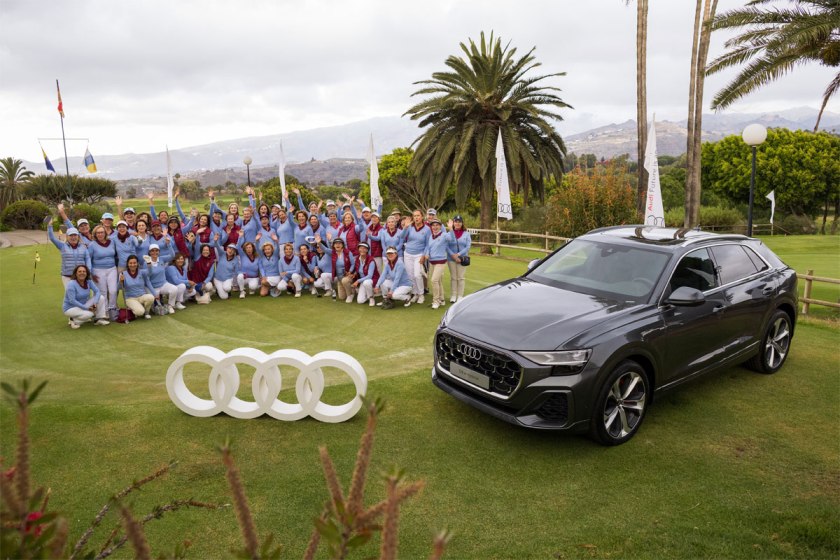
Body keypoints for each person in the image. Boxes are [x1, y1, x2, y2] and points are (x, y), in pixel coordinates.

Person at [47, 218, 91, 288]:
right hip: (67, 276)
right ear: (67, 237)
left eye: (75, 235)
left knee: (82, 293)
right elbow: (52, 238)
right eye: (71, 235)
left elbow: (88, 259)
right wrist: (50, 225)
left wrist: (88, 271)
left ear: (78, 236)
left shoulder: (83, 247)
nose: (73, 237)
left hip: (81, 276)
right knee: (70, 294)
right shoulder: (62, 246)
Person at [88, 224, 119, 320]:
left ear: (105, 233)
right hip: (98, 270)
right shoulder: (92, 245)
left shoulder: (112, 242)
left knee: (113, 290)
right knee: (103, 292)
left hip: (112, 269)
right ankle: (104, 312)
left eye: (102, 232)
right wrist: (91, 273)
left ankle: (112, 308)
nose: (100, 234)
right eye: (98, 233)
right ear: (95, 234)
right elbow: (88, 259)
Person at [400, 210, 430, 304]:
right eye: (414, 216)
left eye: (418, 215)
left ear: (422, 217)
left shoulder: (427, 229)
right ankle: (415, 293)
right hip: (408, 254)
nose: (416, 218)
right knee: (410, 276)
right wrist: (405, 227)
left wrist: (424, 256)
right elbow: (402, 236)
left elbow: (428, 244)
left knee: (417, 275)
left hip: (419, 255)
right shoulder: (409, 227)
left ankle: (421, 294)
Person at [425, 218, 451, 309]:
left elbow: (451, 238)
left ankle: (436, 301)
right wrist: (427, 253)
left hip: (441, 262)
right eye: (433, 225)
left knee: (434, 280)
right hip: (432, 262)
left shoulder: (444, 235)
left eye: (437, 225)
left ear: (440, 226)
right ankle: (442, 299)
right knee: (438, 281)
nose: (435, 227)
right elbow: (428, 247)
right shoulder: (431, 236)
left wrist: (451, 229)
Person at [120, 255, 155, 319]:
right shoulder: (123, 274)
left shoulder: (141, 272)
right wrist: (121, 281)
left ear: (137, 263)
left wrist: (149, 263)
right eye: (130, 263)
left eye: (134, 263)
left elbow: (150, 272)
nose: (132, 265)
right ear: (127, 264)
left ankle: (146, 312)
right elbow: (119, 287)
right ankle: (134, 308)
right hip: (130, 298)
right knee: (140, 312)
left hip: (142, 296)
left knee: (151, 297)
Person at [447, 216, 472, 302]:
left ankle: (460, 295)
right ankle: (453, 295)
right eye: (456, 222)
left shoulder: (466, 234)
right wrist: (453, 255)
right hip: (451, 258)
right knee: (453, 277)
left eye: (459, 222)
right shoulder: (449, 233)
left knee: (461, 277)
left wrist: (458, 255)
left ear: (462, 223)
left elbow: (467, 247)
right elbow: (446, 246)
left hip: (462, 258)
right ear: (453, 223)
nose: (457, 223)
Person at [347, 242, 379, 306]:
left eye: (364, 248)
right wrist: (354, 274)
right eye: (361, 248)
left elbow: (370, 276)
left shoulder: (371, 260)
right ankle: (369, 292)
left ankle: (371, 298)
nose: (362, 250)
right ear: (358, 249)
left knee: (366, 282)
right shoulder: (357, 259)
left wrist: (358, 281)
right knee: (360, 301)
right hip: (362, 281)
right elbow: (357, 270)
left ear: (367, 250)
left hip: (372, 280)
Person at [328, 237, 355, 302]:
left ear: (342, 245)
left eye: (339, 243)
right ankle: (352, 289)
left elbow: (353, 264)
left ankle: (350, 295)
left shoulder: (348, 252)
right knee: (341, 297)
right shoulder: (333, 253)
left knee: (345, 281)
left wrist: (350, 271)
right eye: (336, 243)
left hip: (347, 276)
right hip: (339, 278)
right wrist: (319, 243)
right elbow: (325, 249)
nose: (338, 245)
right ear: (334, 245)